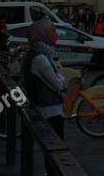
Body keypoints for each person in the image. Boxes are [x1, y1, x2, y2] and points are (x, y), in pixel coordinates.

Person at [22, 19, 65, 174]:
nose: (56, 35)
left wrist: (58, 78)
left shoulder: (38, 54)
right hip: (49, 110)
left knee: (53, 150)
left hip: (45, 107)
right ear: (43, 35)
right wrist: (61, 79)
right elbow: (59, 84)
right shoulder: (40, 58)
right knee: (55, 150)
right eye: (52, 31)